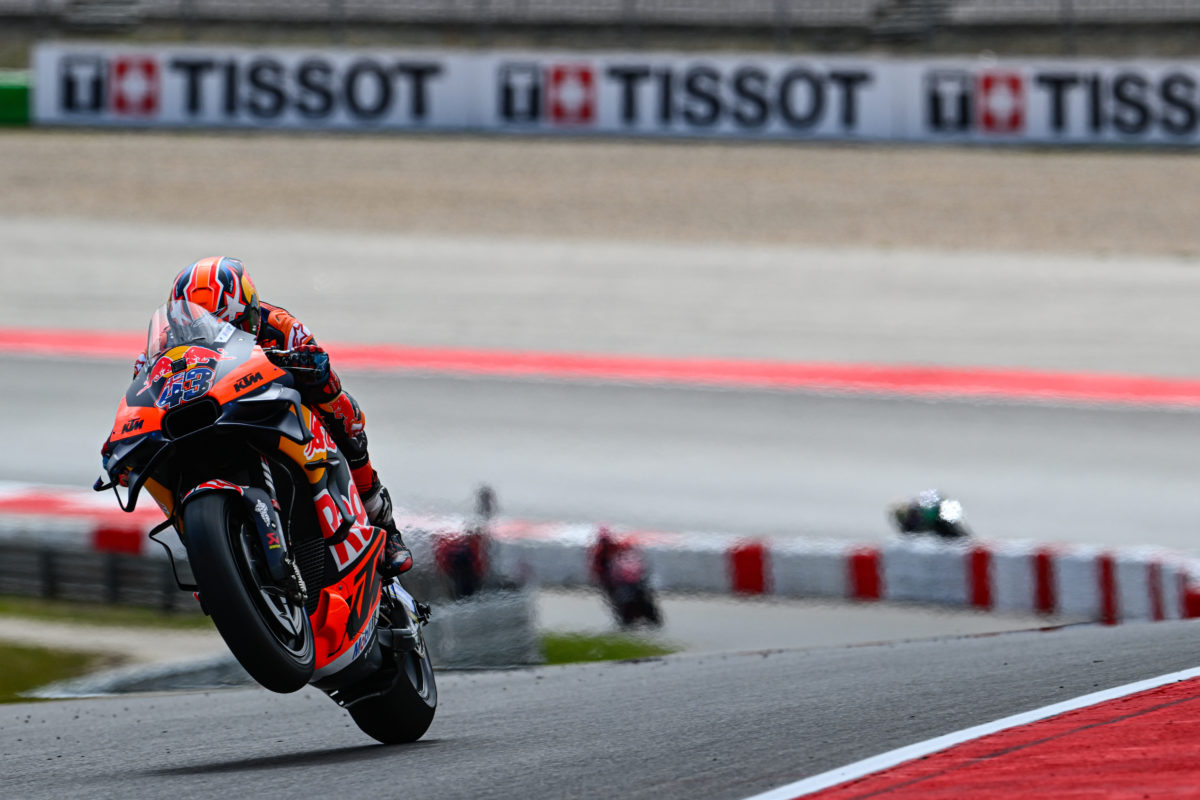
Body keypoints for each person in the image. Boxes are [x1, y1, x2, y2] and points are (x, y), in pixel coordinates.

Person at [141, 256, 413, 576]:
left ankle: (384, 524)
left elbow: (324, 373)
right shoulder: (161, 346)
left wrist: (311, 367)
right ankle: (211, 560)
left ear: (250, 312)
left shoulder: (282, 325)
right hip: (207, 416)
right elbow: (142, 390)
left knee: (344, 412)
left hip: (272, 410)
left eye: (231, 326)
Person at [888, 490, 971, 540]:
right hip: (937, 522)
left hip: (941, 519)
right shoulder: (907, 525)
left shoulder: (914, 513)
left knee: (957, 537)